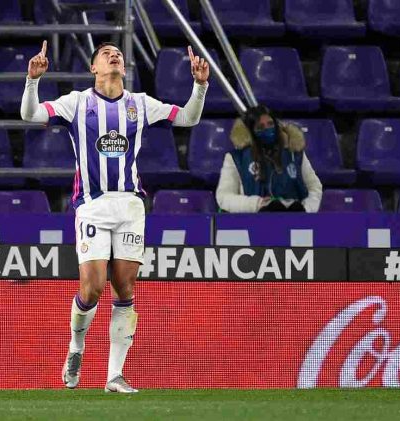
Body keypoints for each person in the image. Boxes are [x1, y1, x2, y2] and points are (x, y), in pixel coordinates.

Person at [21, 40, 209, 392]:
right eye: (106, 53)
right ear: (93, 67)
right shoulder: (77, 102)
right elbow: (30, 115)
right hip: (92, 204)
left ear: (124, 67)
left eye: (118, 53)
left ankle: (114, 375)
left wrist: (200, 86)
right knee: (92, 288)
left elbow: (188, 118)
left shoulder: (140, 104)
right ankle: (76, 347)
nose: (114, 55)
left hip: (130, 205)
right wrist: (33, 81)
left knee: (125, 287)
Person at [216, 105, 322, 213]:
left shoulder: (294, 152)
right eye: (260, 127)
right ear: (251, 132)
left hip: (295, 218)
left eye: (270, 124)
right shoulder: (237, 158)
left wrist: (306, 209)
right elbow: (224, 197)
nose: (267, 129)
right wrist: (257, 204)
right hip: (254, 219)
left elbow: (315, 188)